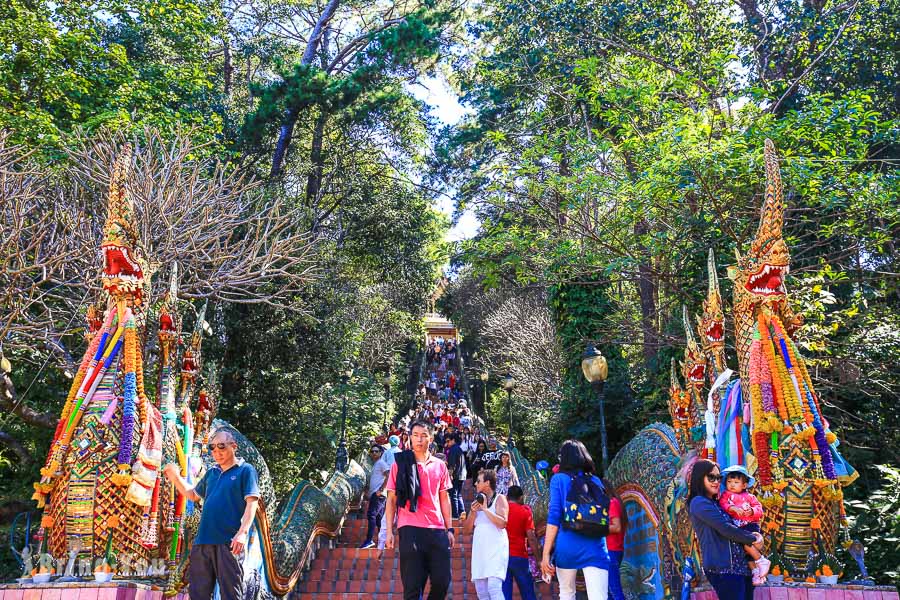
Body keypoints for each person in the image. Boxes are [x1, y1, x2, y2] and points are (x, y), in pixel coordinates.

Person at [163, 429, 260, 600]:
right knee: (198, 594)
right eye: (213, 448)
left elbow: (252, 503)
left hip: (229, 542)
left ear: (234, 446)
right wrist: (176, 477)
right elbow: (193, 495)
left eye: (221, 447)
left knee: (231, 594)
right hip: (203, 542)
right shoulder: (211, 473)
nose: (217, 452)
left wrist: (242, 533)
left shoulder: (246, 470)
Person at [385, 421, 455, 600]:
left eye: (423, 435)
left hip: (436, 528)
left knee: (442, 581)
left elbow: (444, 499)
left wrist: (450, 528)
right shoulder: (400, 464)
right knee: (413, 587)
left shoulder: (440, 465)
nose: (419, 439)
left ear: (430, 438)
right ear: (409, 437)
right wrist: (389, 532)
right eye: (415, 435)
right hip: (409, 527)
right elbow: (391, 499)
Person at [541, 439, 610, 600]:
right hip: (595, 545)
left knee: (566, 594)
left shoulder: (558, 479)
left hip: (567, 546)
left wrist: (546, 554)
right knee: (599, 596)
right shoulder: (595, 481)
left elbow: (554, 517)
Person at [687, 459, 763, 600]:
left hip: (740, 568)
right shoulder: (699, 502)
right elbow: (726, 529)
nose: (716, 481)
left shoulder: (717, 503)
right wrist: (754, 539)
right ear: (699, 477)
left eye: (718, 478)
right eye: (711, 477)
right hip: (724, 569)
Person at [719, 465, 771, 584]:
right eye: (729, 482)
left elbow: (759, 510)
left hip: (749, 525)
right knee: (745, 553)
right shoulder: (726, 495)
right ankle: (756, 572)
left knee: (747, 543)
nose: (732, 484)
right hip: (738, 527)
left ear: (744, 485)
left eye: (736, 482)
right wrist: (732, 508)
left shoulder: (750, 497)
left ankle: (761, 560)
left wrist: (752, 511)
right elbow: (723, 504)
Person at [464, 469, 509, 599]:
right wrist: (472, 513)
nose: (475, 484)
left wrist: (485, 509)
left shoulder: (500, 498)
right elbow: (466, 530)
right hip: (480, 551)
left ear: (487, 483)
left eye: (478, 481)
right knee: (481, 591)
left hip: (496, 550)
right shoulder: (476, 502)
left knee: (494, 588)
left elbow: (502, 523)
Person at [503, 485, 541, 600]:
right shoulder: (525, 512)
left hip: (502, 556)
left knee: (504, 594)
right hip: (520, 556)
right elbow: (532, 538)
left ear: (507, 497)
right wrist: (539, 559)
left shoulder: (501, 511)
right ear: (520, 498)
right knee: (528, 592)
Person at [360, 444, 391, 549]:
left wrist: (381, 489)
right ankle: (385, 540)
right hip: (376, 494)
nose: (374, 453)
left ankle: (369, 540)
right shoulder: (376, 464)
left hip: (379, 495)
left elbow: (389, 474)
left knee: (371, 515)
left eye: (376, 451)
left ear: (381, 453)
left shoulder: (381, 463)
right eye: (372, 451)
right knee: (378, 519)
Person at [602, 479, 626, 600]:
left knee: (614, 589)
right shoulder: (611, 503)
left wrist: (597, 527)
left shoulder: (612, 502)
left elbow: (616, 527)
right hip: (611, 550)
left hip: (612, 550)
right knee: (608, 591)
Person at [446, 432, 468, 519]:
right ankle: (462, 512)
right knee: (458, 494)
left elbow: (452, 465)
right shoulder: (459, 449)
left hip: (455, 475)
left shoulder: (453, 449)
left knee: (453, 495)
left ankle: (455, 514)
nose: (447, 443)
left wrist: (450, 475)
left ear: (453, 440)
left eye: (448, 441)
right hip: (462, 475)